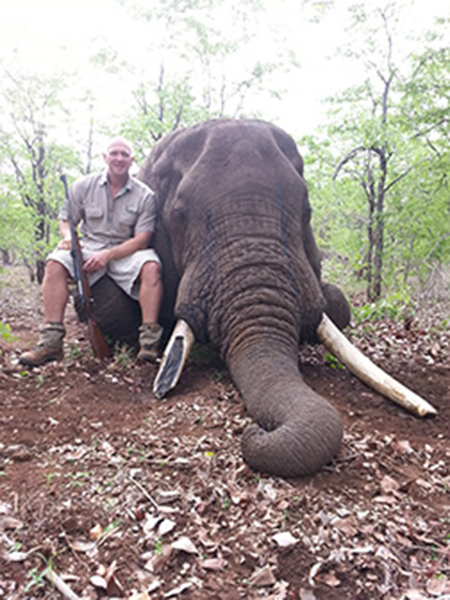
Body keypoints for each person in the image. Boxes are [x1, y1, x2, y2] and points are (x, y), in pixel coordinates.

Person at [20, 137, 163, 366]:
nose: (119, 158)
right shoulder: (82, 186)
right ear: (105, 157)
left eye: (124, 154)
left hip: (124, 251)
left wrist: (107, 256)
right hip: (88, 246)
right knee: (54, 263)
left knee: (152, 267)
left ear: (132, 160)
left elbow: (142, 240)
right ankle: (51, 343)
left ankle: (149, 343)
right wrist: (68, 239)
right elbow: (66, 220)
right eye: (114, 153)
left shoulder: (145, 195)